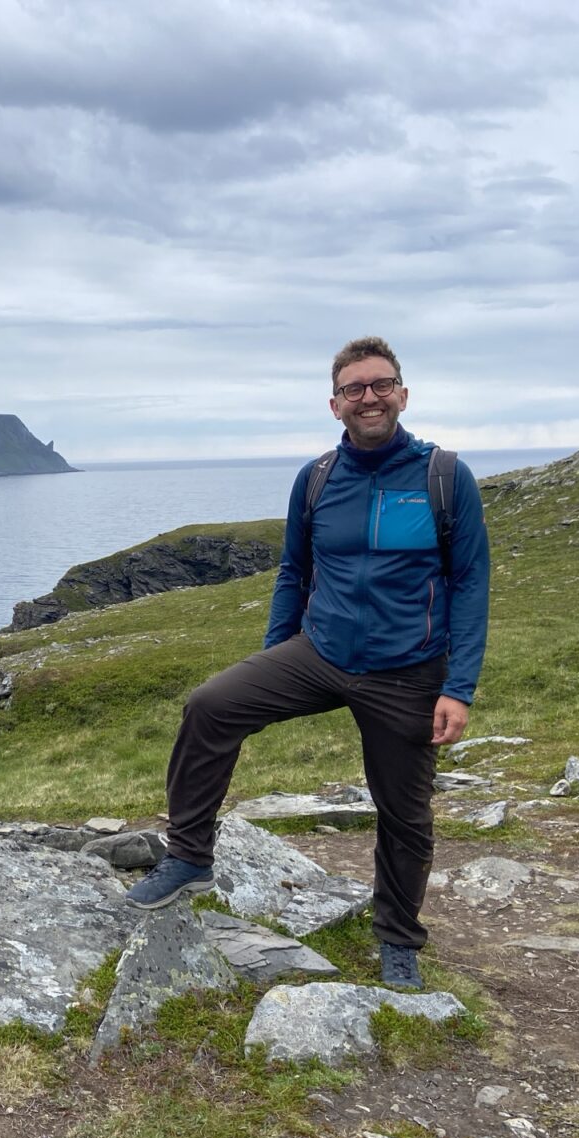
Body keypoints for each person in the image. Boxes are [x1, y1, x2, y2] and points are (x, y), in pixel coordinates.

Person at [125, 336, 490, 991]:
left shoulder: (444, 477)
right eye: (355, 389)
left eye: (381, 385)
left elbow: (470, 583)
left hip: (407, 671)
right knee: (211, 705)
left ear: (403, 395)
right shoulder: (318, 478)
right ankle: (188, 855)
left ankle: (398, 939)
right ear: (335, 404)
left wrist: (457, 687)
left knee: (404, 813)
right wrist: (273, 659)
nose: (369, 397)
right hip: (319, 652)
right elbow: (295, 570)